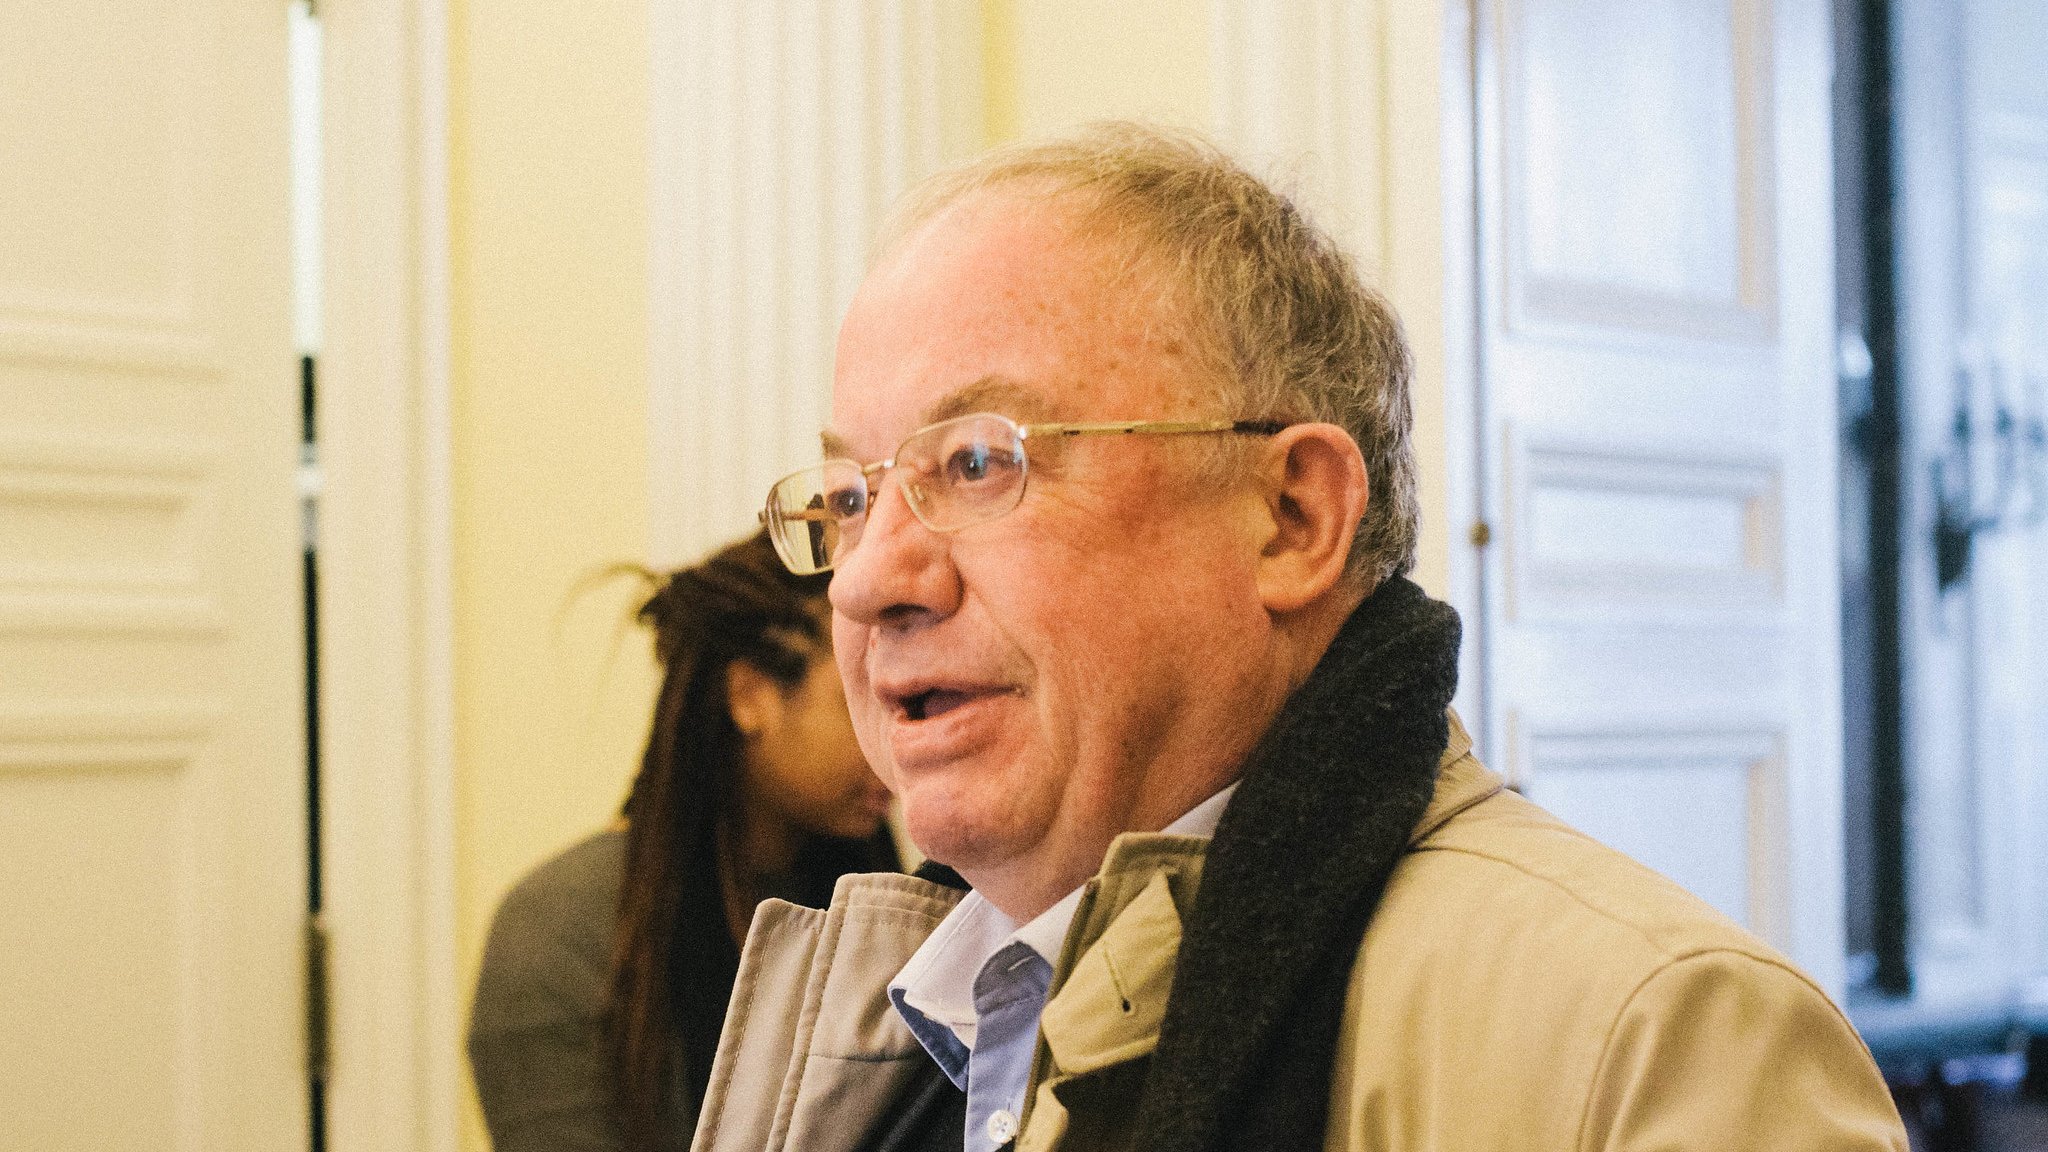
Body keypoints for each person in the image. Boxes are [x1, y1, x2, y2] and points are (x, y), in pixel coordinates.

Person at [697, 124, 1910, 1152]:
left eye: (976, 463)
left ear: (1290, 518)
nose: (868, 581)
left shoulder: (1655, 1040)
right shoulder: (878, 1038)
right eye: (848, 497)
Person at [466, 531, 899, 1152]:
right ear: (750, 696)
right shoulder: (560, 933)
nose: (895, 738)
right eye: (859, 697)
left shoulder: (875, 908)